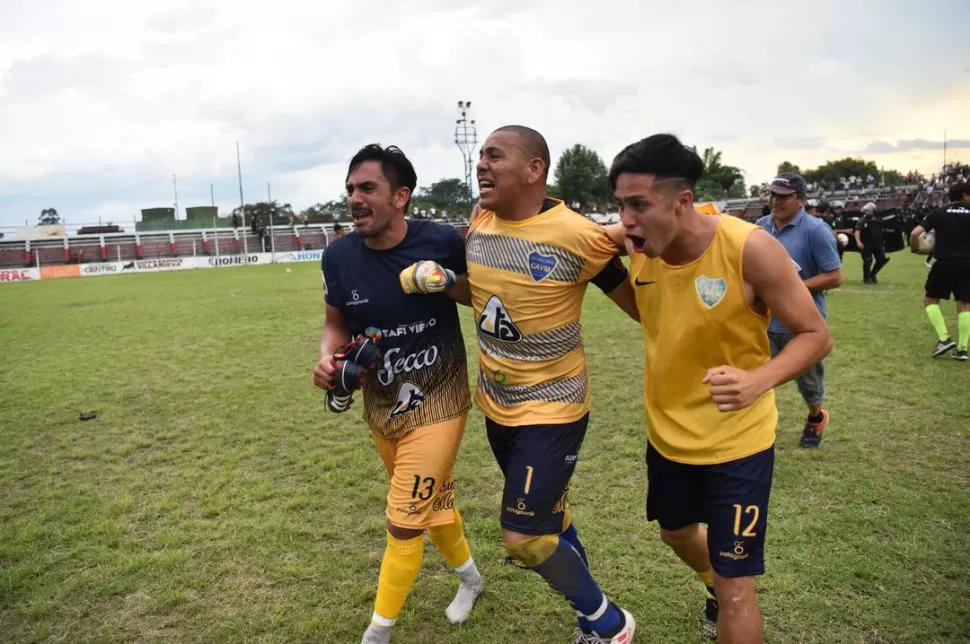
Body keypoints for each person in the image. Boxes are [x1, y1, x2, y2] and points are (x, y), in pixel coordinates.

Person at [604, 135, 833, 643]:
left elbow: (816, 335)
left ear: (683, 201)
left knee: (737, 590)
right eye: (621, 205)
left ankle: (725, 590)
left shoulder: (749, 247)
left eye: (638, 204)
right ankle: (715, 581)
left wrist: (760, 379)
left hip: (738, 442)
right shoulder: (638, 243)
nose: (627, 219)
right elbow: (654, 314)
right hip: (668, 435)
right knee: (675, 533)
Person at [465, 125, 639, 643]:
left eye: (494, 155)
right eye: (480, 155)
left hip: (554, 405)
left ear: (534, 169)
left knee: (522, 535)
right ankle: (590, 619)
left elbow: (640, 306)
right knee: (552, 520)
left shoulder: (577, 234)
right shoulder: (478, 224)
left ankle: (609, 624)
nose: (481, 165)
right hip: (496, 405)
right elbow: (482, 299)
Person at [312, 144, 485, 644]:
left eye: (367, 188)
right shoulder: (338, 255)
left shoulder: (441, 241)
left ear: (401, 196)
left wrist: (446, 280)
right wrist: (327, 358)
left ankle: (377, 632)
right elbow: (334, 323)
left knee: (404, 519)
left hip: (441, 398)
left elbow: (484, 294)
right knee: (430, 503)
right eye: (350, 189)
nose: (354, 198)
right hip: (382, 405)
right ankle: (471, 579)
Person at [756, 173, 843, 447]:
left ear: (801, 199)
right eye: (773, 194)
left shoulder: (815, 230)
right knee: (754, 372)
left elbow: (834, 276)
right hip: (762, 320)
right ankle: (751, 426)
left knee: (808, 382)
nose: (775, 200)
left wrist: (791, 288)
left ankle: (816, 418)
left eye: (783, 196)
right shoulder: (760, 227)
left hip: (801, 323)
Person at [908, 182, 970, 360]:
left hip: (944, 263)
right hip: (967, 264)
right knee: (965, 304)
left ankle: (944, 338)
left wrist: (915, 249)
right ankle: (962, 350)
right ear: (964, 195)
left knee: (930, 300)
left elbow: (914, 233)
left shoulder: (938, 213)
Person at [854, 202, 889, 284]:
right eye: (866, 211)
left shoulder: (878, 220)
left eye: (868, 211)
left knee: (882, 260)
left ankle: (873, 274)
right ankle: (867, 278)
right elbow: (857, 231)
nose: (867, 213)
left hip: (877, 243)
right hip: (866, 244)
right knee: (868, 259)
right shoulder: (862, 221)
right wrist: (858, 242)